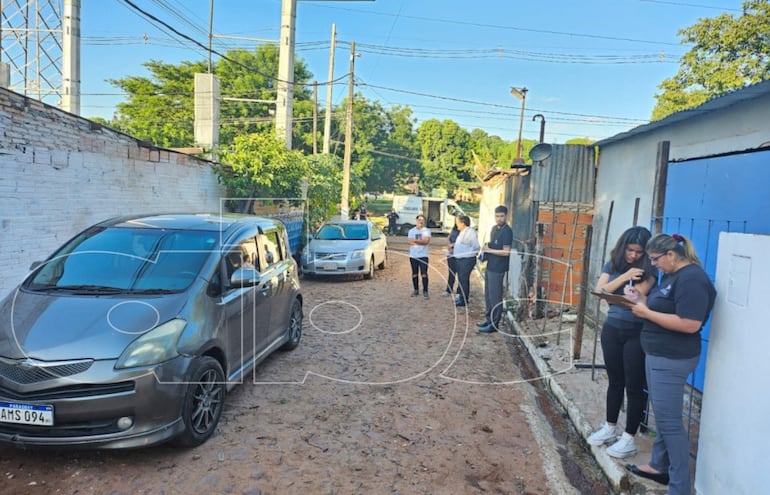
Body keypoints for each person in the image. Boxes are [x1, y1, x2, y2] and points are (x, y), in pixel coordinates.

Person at [624, 233, 716, 495]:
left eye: (655, 259)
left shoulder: (693, 279)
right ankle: (658, 465)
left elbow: (690, 324)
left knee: (671, 424)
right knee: (664, 418)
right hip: (658, 354)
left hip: (672, 358)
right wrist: (639, 301)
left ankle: (680, 488)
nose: (654, 265)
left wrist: (647, 312)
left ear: (672, 256)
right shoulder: (673, 276)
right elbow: (663, 310)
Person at [587, 226, 656, 459]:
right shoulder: (613, 265)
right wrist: (626, 276)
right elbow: (599, 291)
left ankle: (628, 437)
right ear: (622, 247)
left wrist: (615, 294)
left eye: (639, 252)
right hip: (612, 329)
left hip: (636, 332)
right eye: (630, 250)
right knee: (615, 380)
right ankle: (609, 427)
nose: (634, 256)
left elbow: (630, 299)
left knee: (634, 385)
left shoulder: (650, 272)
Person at [477, 205, 513, 333]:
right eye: (497, 216)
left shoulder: (507, 231)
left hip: (498, 269)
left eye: (502, 216)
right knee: (488, 296)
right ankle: (488, 319)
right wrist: (485, 252)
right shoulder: (494, 229)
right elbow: (492, 247)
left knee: (495, 297)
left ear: (506, 216)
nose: (499, 218)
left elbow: (506, 252)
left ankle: (494, 324)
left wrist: (490, 250)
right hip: (490, 266)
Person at [451, 214, 480, 307]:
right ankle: (461, 297)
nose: (457, 224)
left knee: (463, 279)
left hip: (467, 259)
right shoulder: (462, 232)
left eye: (458, 222)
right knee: (461, 279)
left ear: (463, 223)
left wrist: (469, 253)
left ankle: (464, 300)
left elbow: (476, 246)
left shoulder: (470, 232)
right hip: (460, 259)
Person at [407, 214, 431, 299]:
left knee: (424, 274)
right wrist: (420, 241)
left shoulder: (427, 231)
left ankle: (425, 290)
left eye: (422, 220)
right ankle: (416, 290)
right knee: (414, 273)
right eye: (419, 219)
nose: (421, 221)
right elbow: (410, 241)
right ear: (416, 220)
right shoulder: (411, 231)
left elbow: (426, 241)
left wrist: (416, 241)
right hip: (413, 255)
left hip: (423, 255)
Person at [442, 223, 460, 297]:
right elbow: (448, 238)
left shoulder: (463, 232)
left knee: (460, 274)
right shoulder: (454, 230)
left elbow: (461, 241)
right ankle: (449, 290)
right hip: (450, 254)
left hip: (458, 254)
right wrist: (449, 246)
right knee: (451, 273)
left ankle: (459, 291)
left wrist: (453, 246)